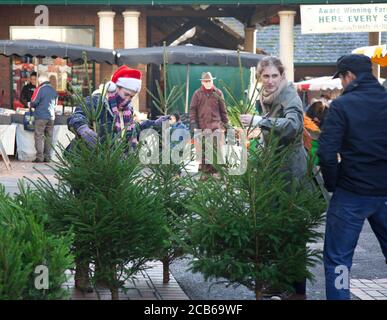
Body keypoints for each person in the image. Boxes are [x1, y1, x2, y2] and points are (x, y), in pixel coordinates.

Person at [67, 66, 169, 292]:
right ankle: (82, 275)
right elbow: (76, 115)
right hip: (87, 169)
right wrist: (82, 129)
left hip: (112, 171)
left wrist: (153, 124)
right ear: (116, 87)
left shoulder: (126, 110)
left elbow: (130, 131)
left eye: (132, 96)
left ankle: (105, 272)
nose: (128, 99)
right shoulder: (98, 101)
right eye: (126, 94)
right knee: (88, 222)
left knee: (108, 220)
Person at [318, 54, 387, 300]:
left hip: (352, 192)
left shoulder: (342, 106)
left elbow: (326, 152)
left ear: (349, 76)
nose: (341, 85)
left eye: (342, 80)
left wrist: (334, 183)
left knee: (339, 260)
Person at [240, 56, 307, 299]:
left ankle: (298, 291)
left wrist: (261, 121)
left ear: (282, 76)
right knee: (276, 226)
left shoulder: (289, 94)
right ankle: (280, 282)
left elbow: (294, 126)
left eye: (274, 76)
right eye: (265, 76)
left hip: (291, 171)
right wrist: (260, 142)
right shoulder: (267, 97)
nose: (269, 81)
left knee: (291, 228)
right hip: (274, 168)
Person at [189, 72, 229, 176]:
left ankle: (217, 172)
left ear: (212, 81)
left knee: (217, 149)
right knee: (204, 150)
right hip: (202, 126)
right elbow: (192, 110)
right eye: (206, 81)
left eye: (209, 81)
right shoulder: (197, 94)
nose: (208, 83)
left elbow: (223, 110)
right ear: (202, 82)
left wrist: (226, 124)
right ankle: (205, 173)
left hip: (217, 126)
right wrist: (193, 124)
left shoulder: (218, 93)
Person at [30, 75, 58, 163]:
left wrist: (31, 104)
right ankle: (47, 157)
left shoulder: (40, 89)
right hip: (51, 117)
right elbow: (55, 105)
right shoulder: (54, 90)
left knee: (39, 136)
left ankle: (40, 157)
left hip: (41, 116)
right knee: (49, 137)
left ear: (40, 82)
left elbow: (34, 102)